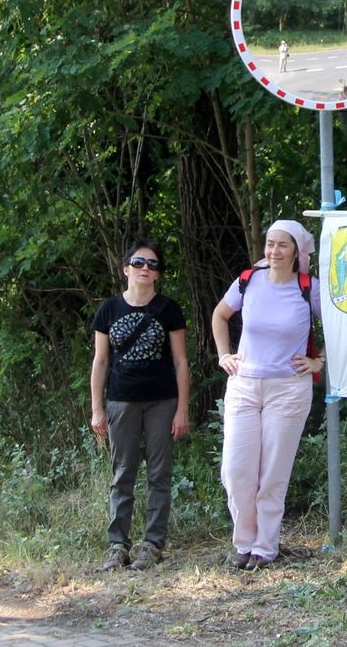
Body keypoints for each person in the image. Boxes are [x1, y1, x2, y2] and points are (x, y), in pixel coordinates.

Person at [211, 220, 322, 571]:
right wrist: (223, 354)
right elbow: (220, 314)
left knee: (273, 474)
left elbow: (343, 328)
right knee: (235, 470)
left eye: (282, 245)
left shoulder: (309, 288)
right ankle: (243, 541)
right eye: (270, 244)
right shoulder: (248, 280)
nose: (274, 252)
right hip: (244, 385)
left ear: (297, 252)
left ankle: (264, 546)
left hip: (289, 389)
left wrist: (319, 362)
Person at [90, 240, 190, 572]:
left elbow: (180, 362)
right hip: (121, 401)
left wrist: (182, 409)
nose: (145, 268)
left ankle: (152, 544)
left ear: (158, 274)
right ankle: (117, 544)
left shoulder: (169, 309)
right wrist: (97, 409)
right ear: (126, 269)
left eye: (152, 264)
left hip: (162, 401)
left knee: (160, 473)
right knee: (122, 474)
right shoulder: (108, 310)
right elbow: (101, 362)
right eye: (139, 262)